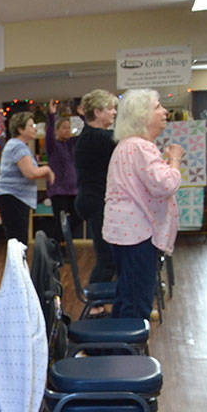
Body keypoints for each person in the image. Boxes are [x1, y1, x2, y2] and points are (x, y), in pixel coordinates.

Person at [104, 89, 183, 322]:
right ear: (141, 115)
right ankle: (128, 353)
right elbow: (166, 184)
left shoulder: (128, 146)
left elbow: (152, 181)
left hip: (126, 232)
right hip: (137, 233)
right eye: (157, 107)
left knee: (127, 294)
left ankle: (114, 351)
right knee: (137, 300)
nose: (164, 111)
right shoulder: (140, 147)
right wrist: (176, 159)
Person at [73, 88, 119, 285]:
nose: (114, 112)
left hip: (94, 200)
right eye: (110, 109)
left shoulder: (96, 137)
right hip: (95, 201)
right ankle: (94, 307)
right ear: (98, 112)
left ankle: (103, 304)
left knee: (109, 258)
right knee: (108, 259)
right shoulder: (96, 138)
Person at [0, 111, 55, 244]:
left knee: (18, 240)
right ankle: (17, 265)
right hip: (13, 197)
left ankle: (19, 264)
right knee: (18, 241)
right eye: (31, 126)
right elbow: (30, 173)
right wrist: (47, 170)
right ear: (20, 129)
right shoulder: (17, 146)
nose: (35, 129)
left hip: (14, 197)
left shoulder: (18, 145)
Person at [44, 100, 79, 223]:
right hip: (58, 190)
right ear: (57, 130)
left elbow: (86, 132)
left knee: (78, 216)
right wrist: (51, 115)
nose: (67, 130)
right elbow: (48, 133)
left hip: (73, 190)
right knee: (60, 221)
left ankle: (62, 238)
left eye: (69, 128)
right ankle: (57, 241)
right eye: (64, 128)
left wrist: (81, 115)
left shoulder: (72, 143)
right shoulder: (52, 145)